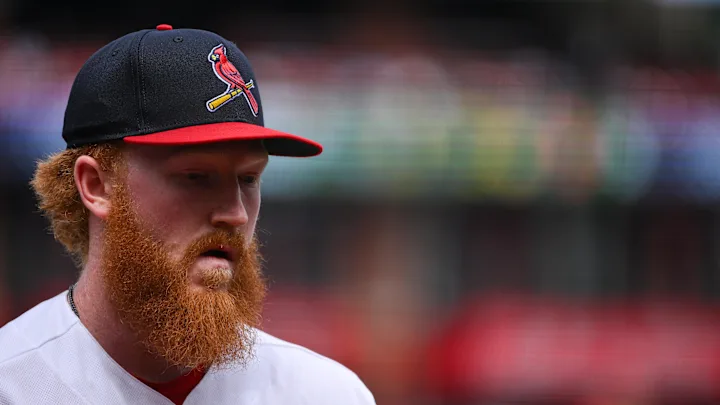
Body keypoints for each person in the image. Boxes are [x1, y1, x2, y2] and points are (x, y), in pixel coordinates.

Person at [0, 24, 375, 405]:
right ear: (97, 186)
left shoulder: (325, 393)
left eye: (248, 178)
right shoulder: (11, 383)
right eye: (196, 177)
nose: (236, 214)